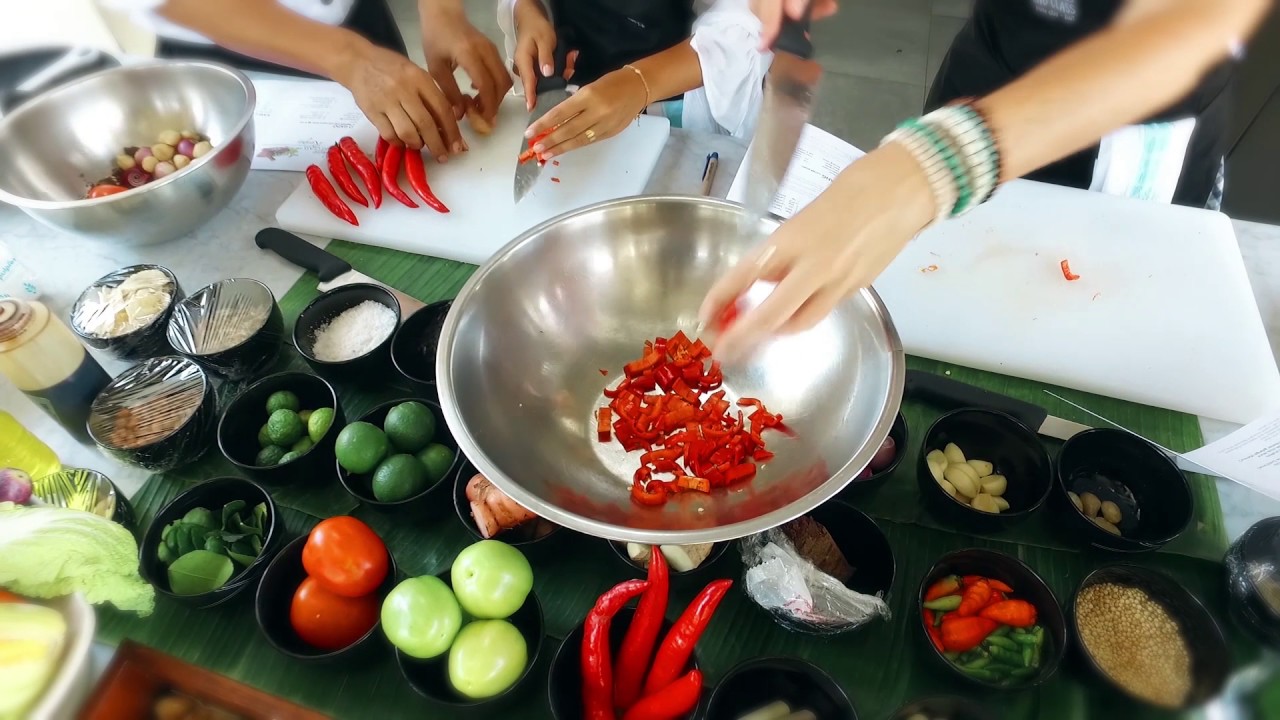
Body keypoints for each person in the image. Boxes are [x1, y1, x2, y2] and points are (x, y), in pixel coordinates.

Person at [702, 0, 1273, 362]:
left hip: (1129, 118)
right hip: (992, 62)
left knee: (1073, 341)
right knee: (935, 289)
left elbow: (1195, 22)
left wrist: (930, 166)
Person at [106, 0, 513, 162]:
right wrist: (349, 57)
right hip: (235, 47)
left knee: (407, 142)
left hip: (357, 19)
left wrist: (442, 11)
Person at [499, 0, 770, 160]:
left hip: (678, 104)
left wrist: (640, 82)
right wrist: (529, 13)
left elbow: (749, 21)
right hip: (572, 90)